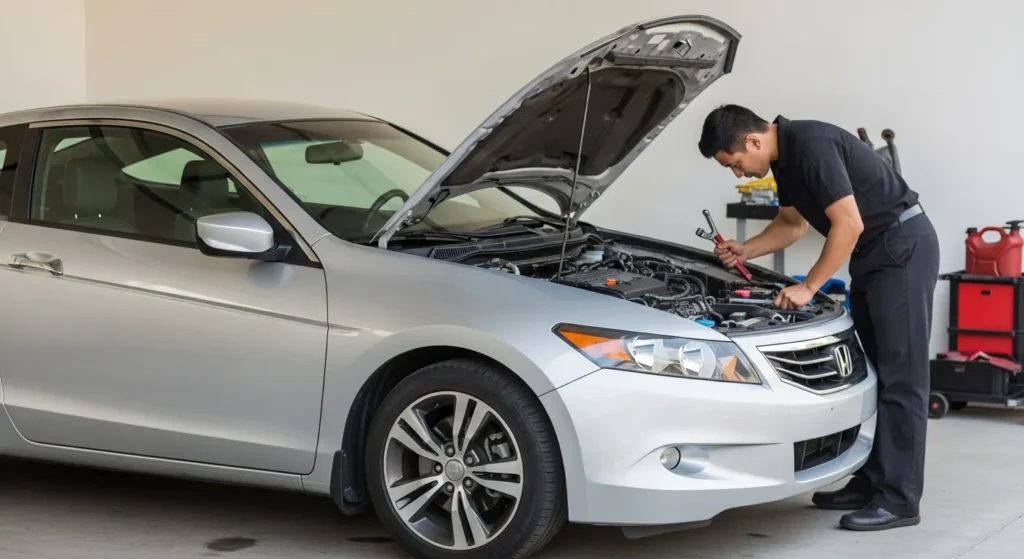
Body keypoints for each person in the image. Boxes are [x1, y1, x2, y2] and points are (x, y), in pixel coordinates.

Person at [697, 104, 940, 532]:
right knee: (879, 373)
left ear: (753, 141)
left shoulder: (811, 144)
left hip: (901, 249)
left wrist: (809, 286)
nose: (738, 174)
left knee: (903, 379)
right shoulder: (785, 160)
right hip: (875, 256)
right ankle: (871, 482)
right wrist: (745, 250)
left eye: (735, 164)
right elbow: (791, 224)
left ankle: (900, 500)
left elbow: (848, 223)